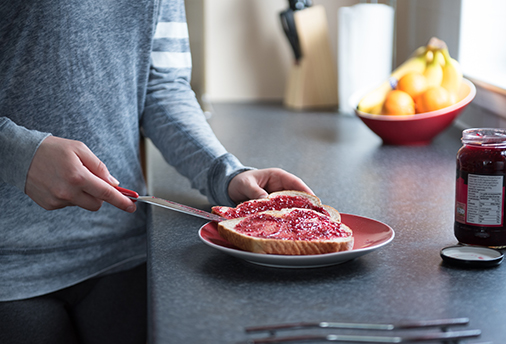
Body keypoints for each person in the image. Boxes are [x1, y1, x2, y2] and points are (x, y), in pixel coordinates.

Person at [0, 1, 312, 343]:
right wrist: (17, 153)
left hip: (122, 249)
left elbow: (162, 85)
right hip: (10, 269)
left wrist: (223, 173)